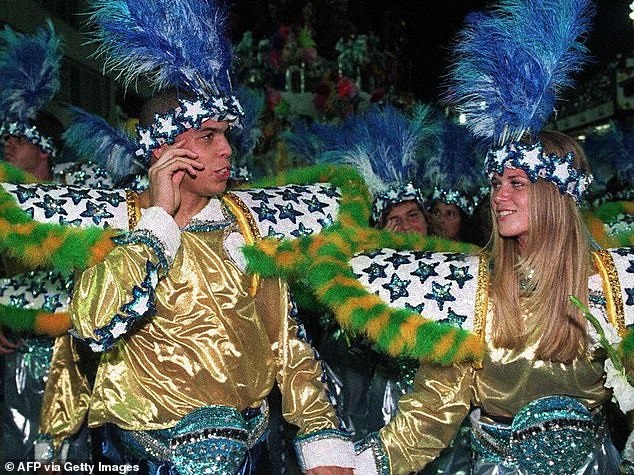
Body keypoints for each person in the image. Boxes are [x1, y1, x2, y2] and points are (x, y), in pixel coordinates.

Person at [67, 1, 355, 473]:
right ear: (165, 148)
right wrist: (157, 222)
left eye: (225, 134)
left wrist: (321, 434)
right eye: (208, 136)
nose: (226, 149)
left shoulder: (245, 224)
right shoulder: (116, 224)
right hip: (144, 455)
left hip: (250, 451)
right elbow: (92, 324)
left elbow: (289, 343)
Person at [354, 1, 634, 473]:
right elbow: (435, 406)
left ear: (554, 195)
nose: (498, 197)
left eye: (516, 184)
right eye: (495, 184)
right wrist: (365, 463)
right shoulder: (472, 289)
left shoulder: (614, 282)